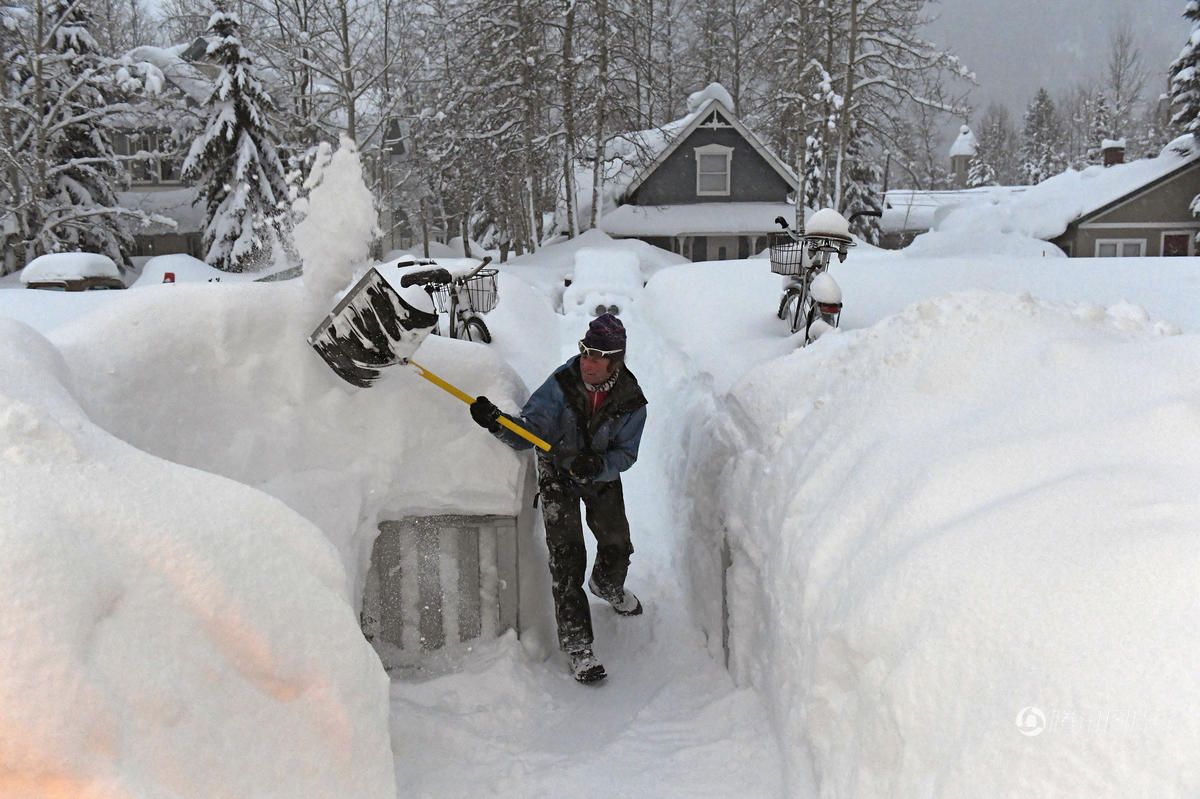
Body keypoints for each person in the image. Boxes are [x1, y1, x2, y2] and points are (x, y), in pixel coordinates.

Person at [468, 313, 647, 684]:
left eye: (597, 356)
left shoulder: (630, 400)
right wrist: (497, 422)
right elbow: (527, 432)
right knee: (567, 559)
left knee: (617, 544)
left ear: (615, 361)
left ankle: (608, 585)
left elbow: (626, 454)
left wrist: (596, 464)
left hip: (598, 472)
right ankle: (578, 646)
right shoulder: (562, 386)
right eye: (584, 351)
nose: (587, 362)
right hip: (558, 471)